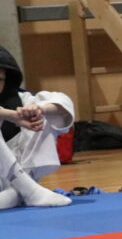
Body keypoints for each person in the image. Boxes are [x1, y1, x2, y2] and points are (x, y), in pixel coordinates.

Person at [0, 46, 72, 209]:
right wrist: (12, 115)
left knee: (41, 115)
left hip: (17, 177)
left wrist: (40, 110)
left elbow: (63, 102)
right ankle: (27, 191)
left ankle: (22, 190)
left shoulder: (22, 99)